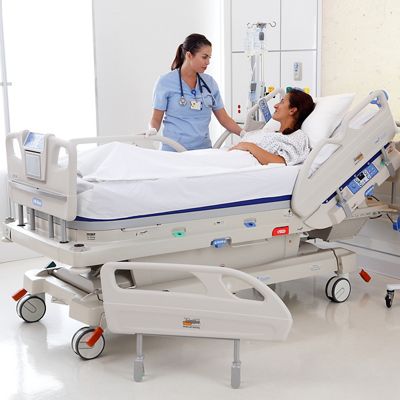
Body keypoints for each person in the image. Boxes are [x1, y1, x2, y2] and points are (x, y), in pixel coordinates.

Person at [149, 33, 244, 151]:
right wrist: (152, 131)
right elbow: (156, 119)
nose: (208, 62)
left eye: (209, 58)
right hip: (173, 151)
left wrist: (244, 133)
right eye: (204, 57)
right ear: (189, 55)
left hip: (202, 151)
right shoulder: (165, 82)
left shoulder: (210, 83)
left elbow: (224, 119)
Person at [230, 89, 315, 166]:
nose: (275, 105)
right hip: (232, 159)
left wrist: (248, 146)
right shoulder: (271, 132)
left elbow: (280, 162)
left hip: (241, 164)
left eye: (282, 102)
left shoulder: (298, 136)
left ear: (292, 110)